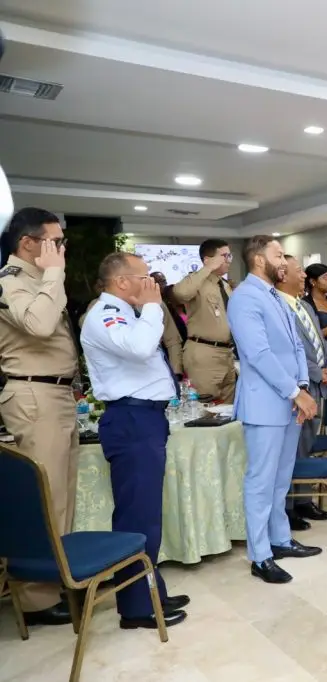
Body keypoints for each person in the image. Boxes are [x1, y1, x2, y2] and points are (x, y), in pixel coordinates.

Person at [80, 252, 190, 629]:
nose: (152, 284)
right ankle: (137, 607)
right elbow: (140, 348)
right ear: (122, 282)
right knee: (137, 516)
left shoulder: (128, 313)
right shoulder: (105, 315)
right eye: (144, 277)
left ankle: (150, 590)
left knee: (146, 516)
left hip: (145, 418)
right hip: (131, 419)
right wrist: (155, 307)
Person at [227, 236, 322, 585]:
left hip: (291, 401)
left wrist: (302, 387)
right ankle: (260, 555)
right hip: (265, 404)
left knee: (281, 478)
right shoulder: (244, 297)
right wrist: (296, 392)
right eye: (278, 255)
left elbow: (296, 347)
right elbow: (258, 354)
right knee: (261, 481)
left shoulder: (275, 296)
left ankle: (280, 539)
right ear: (258, 259)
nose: (284, 261)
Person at [0, 208, 79, 627]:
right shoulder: (10, 281)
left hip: (57, 394)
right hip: (33, 395)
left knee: (62, 496)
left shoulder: (40, 279)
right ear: (28, 243)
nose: (62, 249)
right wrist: (54, 274)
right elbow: (41, 324)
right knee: (43, 498)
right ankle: (36, 599)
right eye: (55, 241)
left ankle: (59, 581)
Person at [278, 256, 327, 530]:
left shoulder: (304, 306)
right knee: (294, 448)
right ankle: (288, 507)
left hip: (319, 386)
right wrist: (316, 372)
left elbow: (320, 341)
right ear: (283, 275)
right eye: (299, 270)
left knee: (307, 446)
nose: (304, 275)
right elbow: (292, 351)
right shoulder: (279, 308)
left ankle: (303, 501)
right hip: (300, 386)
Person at [172, 239, 237, 402]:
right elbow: (180, 293)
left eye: (230, 256)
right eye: (224, 256)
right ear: (207, 259)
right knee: (205, 408)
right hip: (205, 352)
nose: (228, 260)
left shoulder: (225, 285)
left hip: (227, 354)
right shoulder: (196, 282)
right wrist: (207, 268)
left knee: (228, 409)